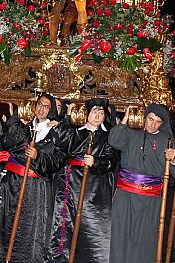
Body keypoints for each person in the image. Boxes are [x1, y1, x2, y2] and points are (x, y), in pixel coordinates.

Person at [0, 94, 65, 263]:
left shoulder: (56, 132)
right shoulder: (24, 125)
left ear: (51, 111)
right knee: (2, 220)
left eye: (46, 106)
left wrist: (38, 156)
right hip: (11, 181)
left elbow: (57, 160)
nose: (41, 109)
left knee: (27, 226)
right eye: (39, 105)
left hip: (33, 185)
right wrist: (19, 123)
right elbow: (6, 142)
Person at [108, 103, 175, 263]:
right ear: (145, 118)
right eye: (150, 119)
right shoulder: (131, 133)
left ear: (162, 124)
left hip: (151, 200)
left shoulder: (167, 140)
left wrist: (174, 159)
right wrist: (124, 120)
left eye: (157, 122)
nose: (153, 124)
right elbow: (114, 141)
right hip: (126, 196)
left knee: (145, 239)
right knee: (121, 236)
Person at [49, 98, 119, 262]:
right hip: (71, 183)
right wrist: (66, 117)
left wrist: (96, 162)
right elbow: (60, 140)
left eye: (101, 113)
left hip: (95, 186)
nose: (97, 116)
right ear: (87, 113)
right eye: (94, 112)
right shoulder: (76, 131)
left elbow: (111, 159)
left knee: (93, 225)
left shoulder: (107, 136)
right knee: (66, 223)